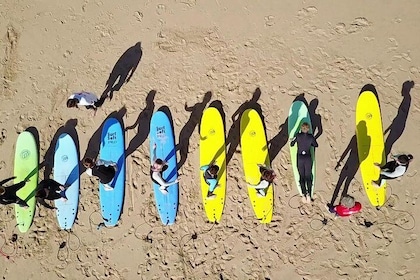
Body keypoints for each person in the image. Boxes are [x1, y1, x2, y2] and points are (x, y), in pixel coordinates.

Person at [290, 122, 318, 204]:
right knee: (308, 176)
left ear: (301, 129)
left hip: (300, 158)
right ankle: (309, 193)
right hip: (308, 157)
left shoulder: (298, 136)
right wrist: (311, 142)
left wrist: (293, 139)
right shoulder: (310, 137)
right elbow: (316, 145)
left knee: (301, 176)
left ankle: (303, 194)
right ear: (308, 129)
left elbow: (292, 144)